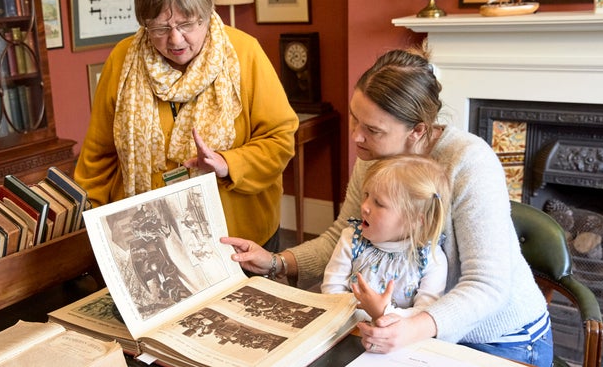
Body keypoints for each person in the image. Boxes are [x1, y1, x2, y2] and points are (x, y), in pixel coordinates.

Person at [222, 48, 553, 367]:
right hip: (407, 329)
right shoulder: (375, 157)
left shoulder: (469, 162)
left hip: (502, 340)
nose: (356, 137)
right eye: (356, 120)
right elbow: (345, 235)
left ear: (417, 131)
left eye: (372, 129)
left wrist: (411, 328)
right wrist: (276, 263)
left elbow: (486, 284)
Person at [73, 0, 299, 252]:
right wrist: (89, 228)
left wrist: (227, 164)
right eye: (160, 28)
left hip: (237, 238)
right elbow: (98, 156)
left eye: (186, 24)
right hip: (150, 243)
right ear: (144, 24)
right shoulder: (123, 60)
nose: (175, 39)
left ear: (207, 14)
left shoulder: (244, 54)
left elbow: (280, 139)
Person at [321, 154, 450, 324]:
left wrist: (382, 312)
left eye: (379, 203)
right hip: (347, 327)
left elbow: (424, 313)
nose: (364, 206)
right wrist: (362, 315)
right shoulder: (351, 239)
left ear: (415, 220)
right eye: (366, 195)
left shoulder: (431, 258)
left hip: (398, 337)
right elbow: (331, 291)